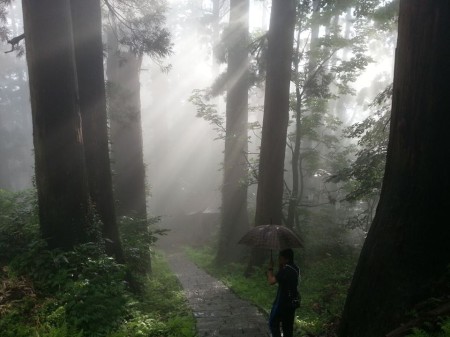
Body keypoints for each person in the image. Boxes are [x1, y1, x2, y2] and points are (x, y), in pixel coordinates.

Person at [267, 248, 300, 337]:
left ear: (286, 259)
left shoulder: (285, 271)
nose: (279, 259)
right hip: (292, 302)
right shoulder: (295, 268)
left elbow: (271, 281)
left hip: (282, 303)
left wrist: (270, 268)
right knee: (288, 328)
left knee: (273, 323)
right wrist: (281, 267)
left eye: (280, 257)